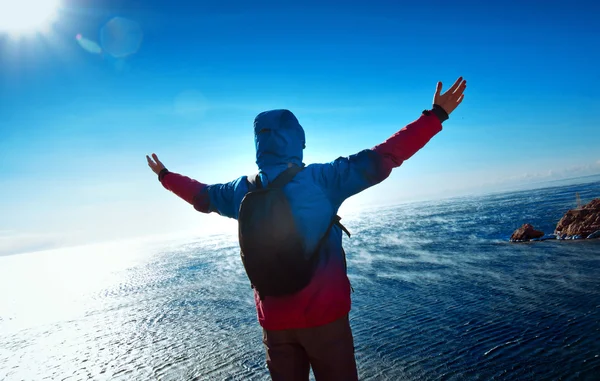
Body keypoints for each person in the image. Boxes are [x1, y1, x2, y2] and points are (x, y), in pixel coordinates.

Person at [146, 77, 466, 380]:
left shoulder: (241, 190)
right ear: (298, 140)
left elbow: (200, 196)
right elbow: (385, 156)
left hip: (275, 324)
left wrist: (165, 176)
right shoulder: (322, 180)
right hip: (324, 318)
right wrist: (435, 116)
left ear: (260, 144)